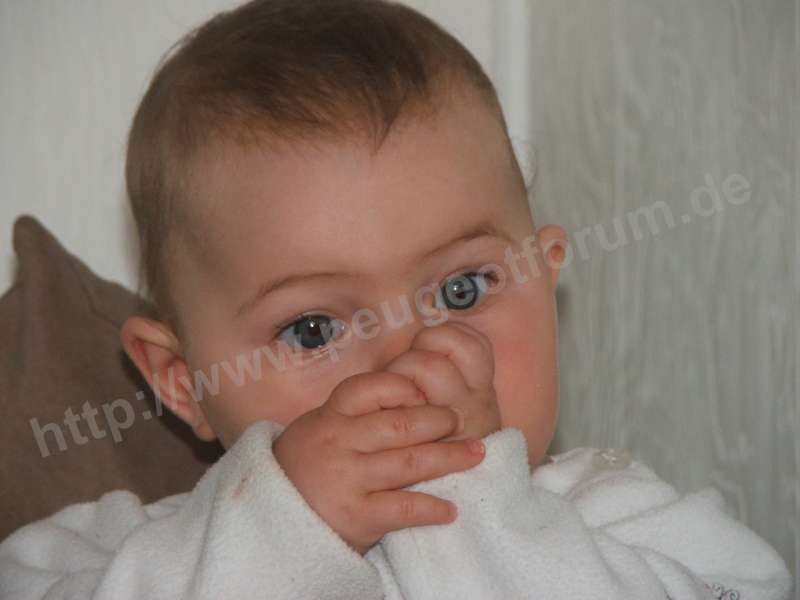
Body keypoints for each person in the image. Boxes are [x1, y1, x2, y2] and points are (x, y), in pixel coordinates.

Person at [0, 0, 791, 598]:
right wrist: (281, 532)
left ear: (546, 283)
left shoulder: (624, 521)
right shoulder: (130, 556)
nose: (408, 359)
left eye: (461, 289)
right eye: (313, 329)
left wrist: (480, 506)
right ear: (182, 382)